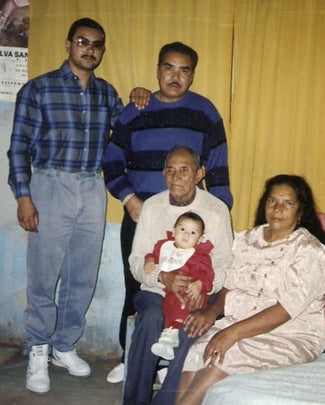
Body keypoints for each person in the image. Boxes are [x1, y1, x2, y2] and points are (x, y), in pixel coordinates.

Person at [6, 17, 149, 395]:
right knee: (44, 273)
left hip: (91, 187)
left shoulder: (106, 94)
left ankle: (63, 345)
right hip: (50, 183)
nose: (90, 49)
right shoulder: (39, 89)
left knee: (82, 275)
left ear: (102, 51)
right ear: (68, 45)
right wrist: (24, 195)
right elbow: (19, 145)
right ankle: (38, 348)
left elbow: (128, 132)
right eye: (82, 42)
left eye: (96, 44)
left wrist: (137, 97)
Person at [102, 41, 233, 384]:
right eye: (168, 68)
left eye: (183, 70)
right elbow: (111, 159)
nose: (175, 76)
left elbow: (217, 166)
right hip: (142, 215)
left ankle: (171, 361)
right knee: (140, 288)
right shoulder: (135, 108)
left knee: (190, 288)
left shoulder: (205, 111)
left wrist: (217, 218)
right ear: (158, 70)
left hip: (189, 220)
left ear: (192, 74)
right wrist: (129, 199)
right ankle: (131, 356)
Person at [174, 174, 325, 405]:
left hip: (290, 334)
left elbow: (285, 310)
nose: (278, 208)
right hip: (237, 323)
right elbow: (228, 286)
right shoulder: (247, 239)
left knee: (223, 354)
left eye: (287, 203)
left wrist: (231, 333)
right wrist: (212, 313)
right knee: (197, 353)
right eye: (272, 201)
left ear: (301, 211)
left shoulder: (310, 250)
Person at [124, 146, 234, 404]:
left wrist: (202, 286)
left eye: (184, 170)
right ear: (163, 175)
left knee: (191, 329)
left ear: (199, 174)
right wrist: (162, 277)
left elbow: (226, 263)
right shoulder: (152, 207)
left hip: (198, 294)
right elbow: (137, 260)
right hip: (155, 292)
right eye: (170, 171)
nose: (176, 177)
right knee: (150, 319)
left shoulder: (216, 209)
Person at [146, 211, 214, 361]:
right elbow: (155, 255)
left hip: (189, 291)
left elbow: (208, 274)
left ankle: (173, 333)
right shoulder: (164, 246)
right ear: (173, 230)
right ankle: (167, 348)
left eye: (193, 233)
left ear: (199, 239)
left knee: (181, 302)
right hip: (168, 291)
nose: (186, 235)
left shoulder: (200, 256)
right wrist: (150, 260)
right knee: (165, 309)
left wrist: (199, 284)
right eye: (182, 229)